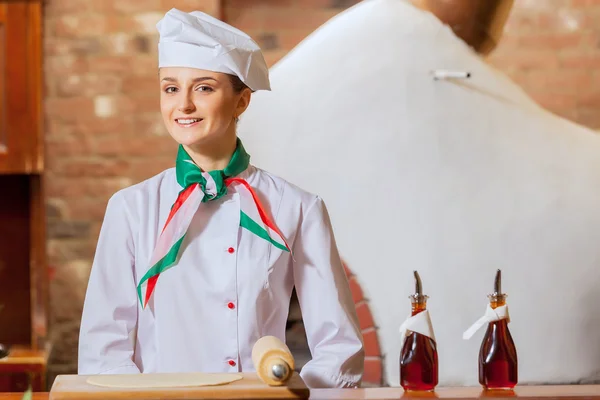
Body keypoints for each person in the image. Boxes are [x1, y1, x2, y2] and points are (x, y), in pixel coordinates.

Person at [77, 8, 364, 389]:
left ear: (242, 101)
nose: (183, 106)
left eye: (204, 87)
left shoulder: (297, 207)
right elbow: (103, 352)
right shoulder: (131, 208)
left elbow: (339, 349)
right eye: (171, 88)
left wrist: (290, 397)